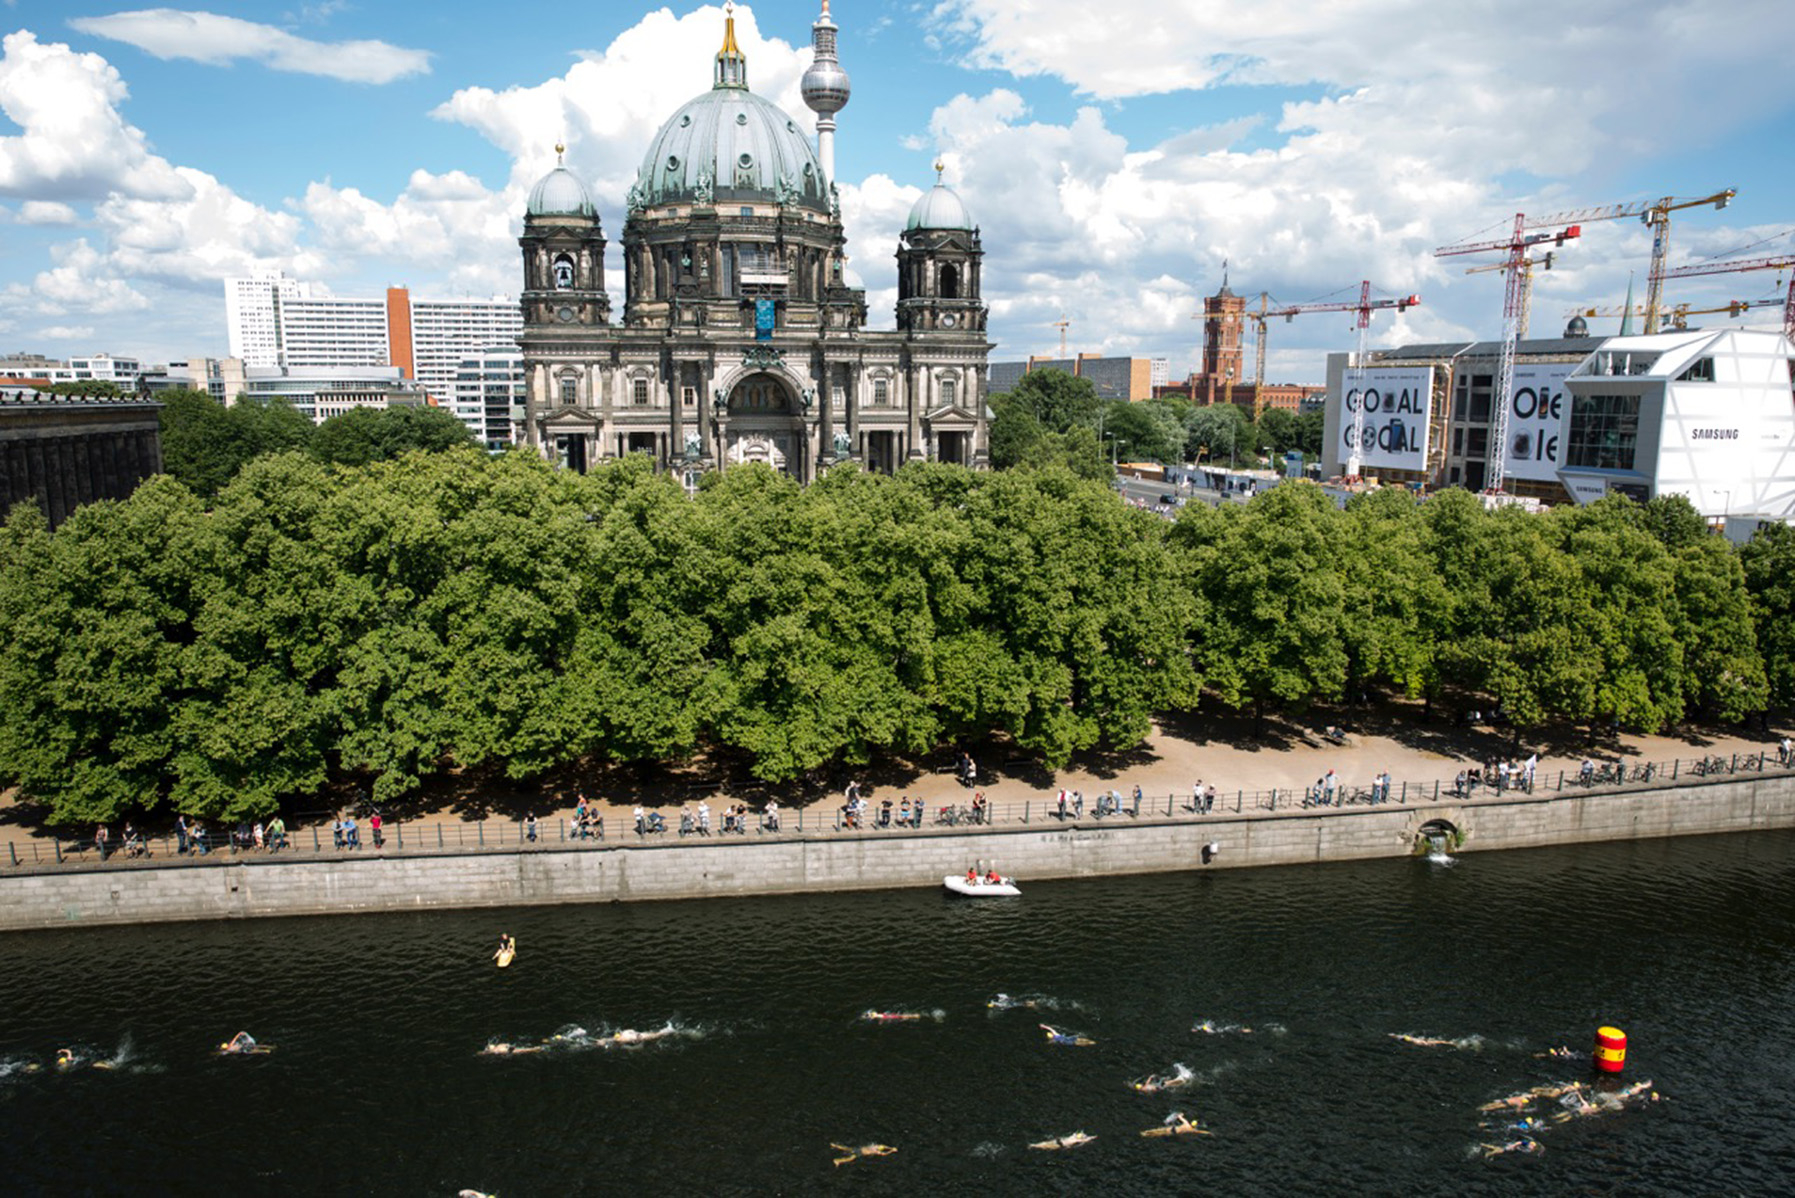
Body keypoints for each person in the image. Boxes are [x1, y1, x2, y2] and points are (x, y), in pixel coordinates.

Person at [1140, 1113, 1210, 1137]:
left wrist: (1181, 1114)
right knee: (1159, 1134)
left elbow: (1179, 1117)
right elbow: (1200, 1132)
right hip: (1174, 1132)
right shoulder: (1192, 1130)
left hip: (1173, 1128)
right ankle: (1146, 1135)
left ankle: (1145, 1132)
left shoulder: (1186, 1123)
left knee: (1159, 1130)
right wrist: (1208, 1133)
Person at [830, 1143, 896, 1167]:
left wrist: (891, 1149)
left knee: (849, 1153)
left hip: (860, 1152)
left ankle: (837, 1159)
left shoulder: (875, 1149)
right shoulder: (876, 1150)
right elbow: (884, 1152)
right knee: (847, 1150)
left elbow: (884, 1151)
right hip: (859, 1151)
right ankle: (837, 1158)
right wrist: (891, 1150)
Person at [1029, 1131, 1096, 1151]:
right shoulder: (1076, 1139)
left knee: (1045, 1145)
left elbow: (1087, 1139)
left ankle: (1033, 1145)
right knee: (1045, 1145)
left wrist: (1093, 1137)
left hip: (1059, 1143)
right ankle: (1032, 1145)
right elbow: (1086, 1139)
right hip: (1059, 1143)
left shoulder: (1074, 1138)